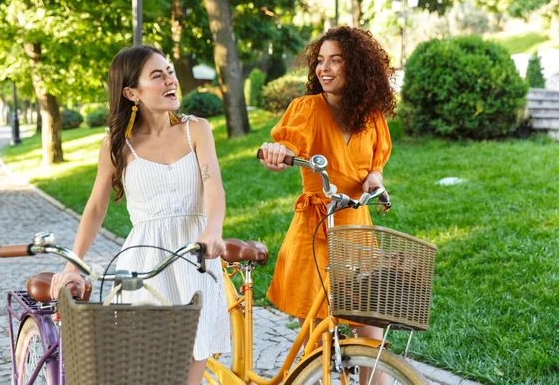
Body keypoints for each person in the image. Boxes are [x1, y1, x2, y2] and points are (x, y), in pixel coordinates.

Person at [49, 45, 230, 385]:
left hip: (196, 259)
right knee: (147, 371)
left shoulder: (197, 129)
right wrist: (74, 265)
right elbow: (95, 207)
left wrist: (213, 230)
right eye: (157, 75)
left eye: (170, 71)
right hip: (145, 264)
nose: (170, 80)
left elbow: (213, 187)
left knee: (191, 372)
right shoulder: (118, 145)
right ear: (132, 92)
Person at [259, 26, 395, 344]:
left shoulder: (373, 117)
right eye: (320, 60)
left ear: (358, 67)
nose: (324, 68)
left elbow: (374, 168)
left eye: (335, 60)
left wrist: (375, 182)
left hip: (356, 230)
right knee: (317, 337)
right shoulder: (309, 109)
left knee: (371, 332)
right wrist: (279, 152)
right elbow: (291, 146)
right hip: (317, 229)